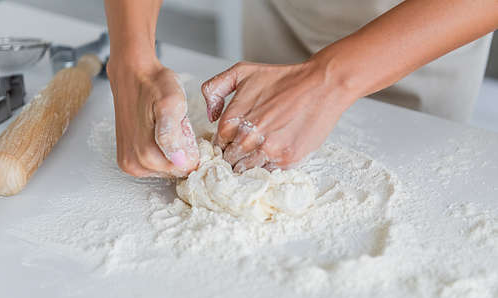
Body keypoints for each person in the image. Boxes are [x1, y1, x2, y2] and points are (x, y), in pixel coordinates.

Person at [103, 0, 498, 178]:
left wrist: (328, 79)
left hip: (421, 29)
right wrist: (131, 59)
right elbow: (132, 57)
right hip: (286, 13)